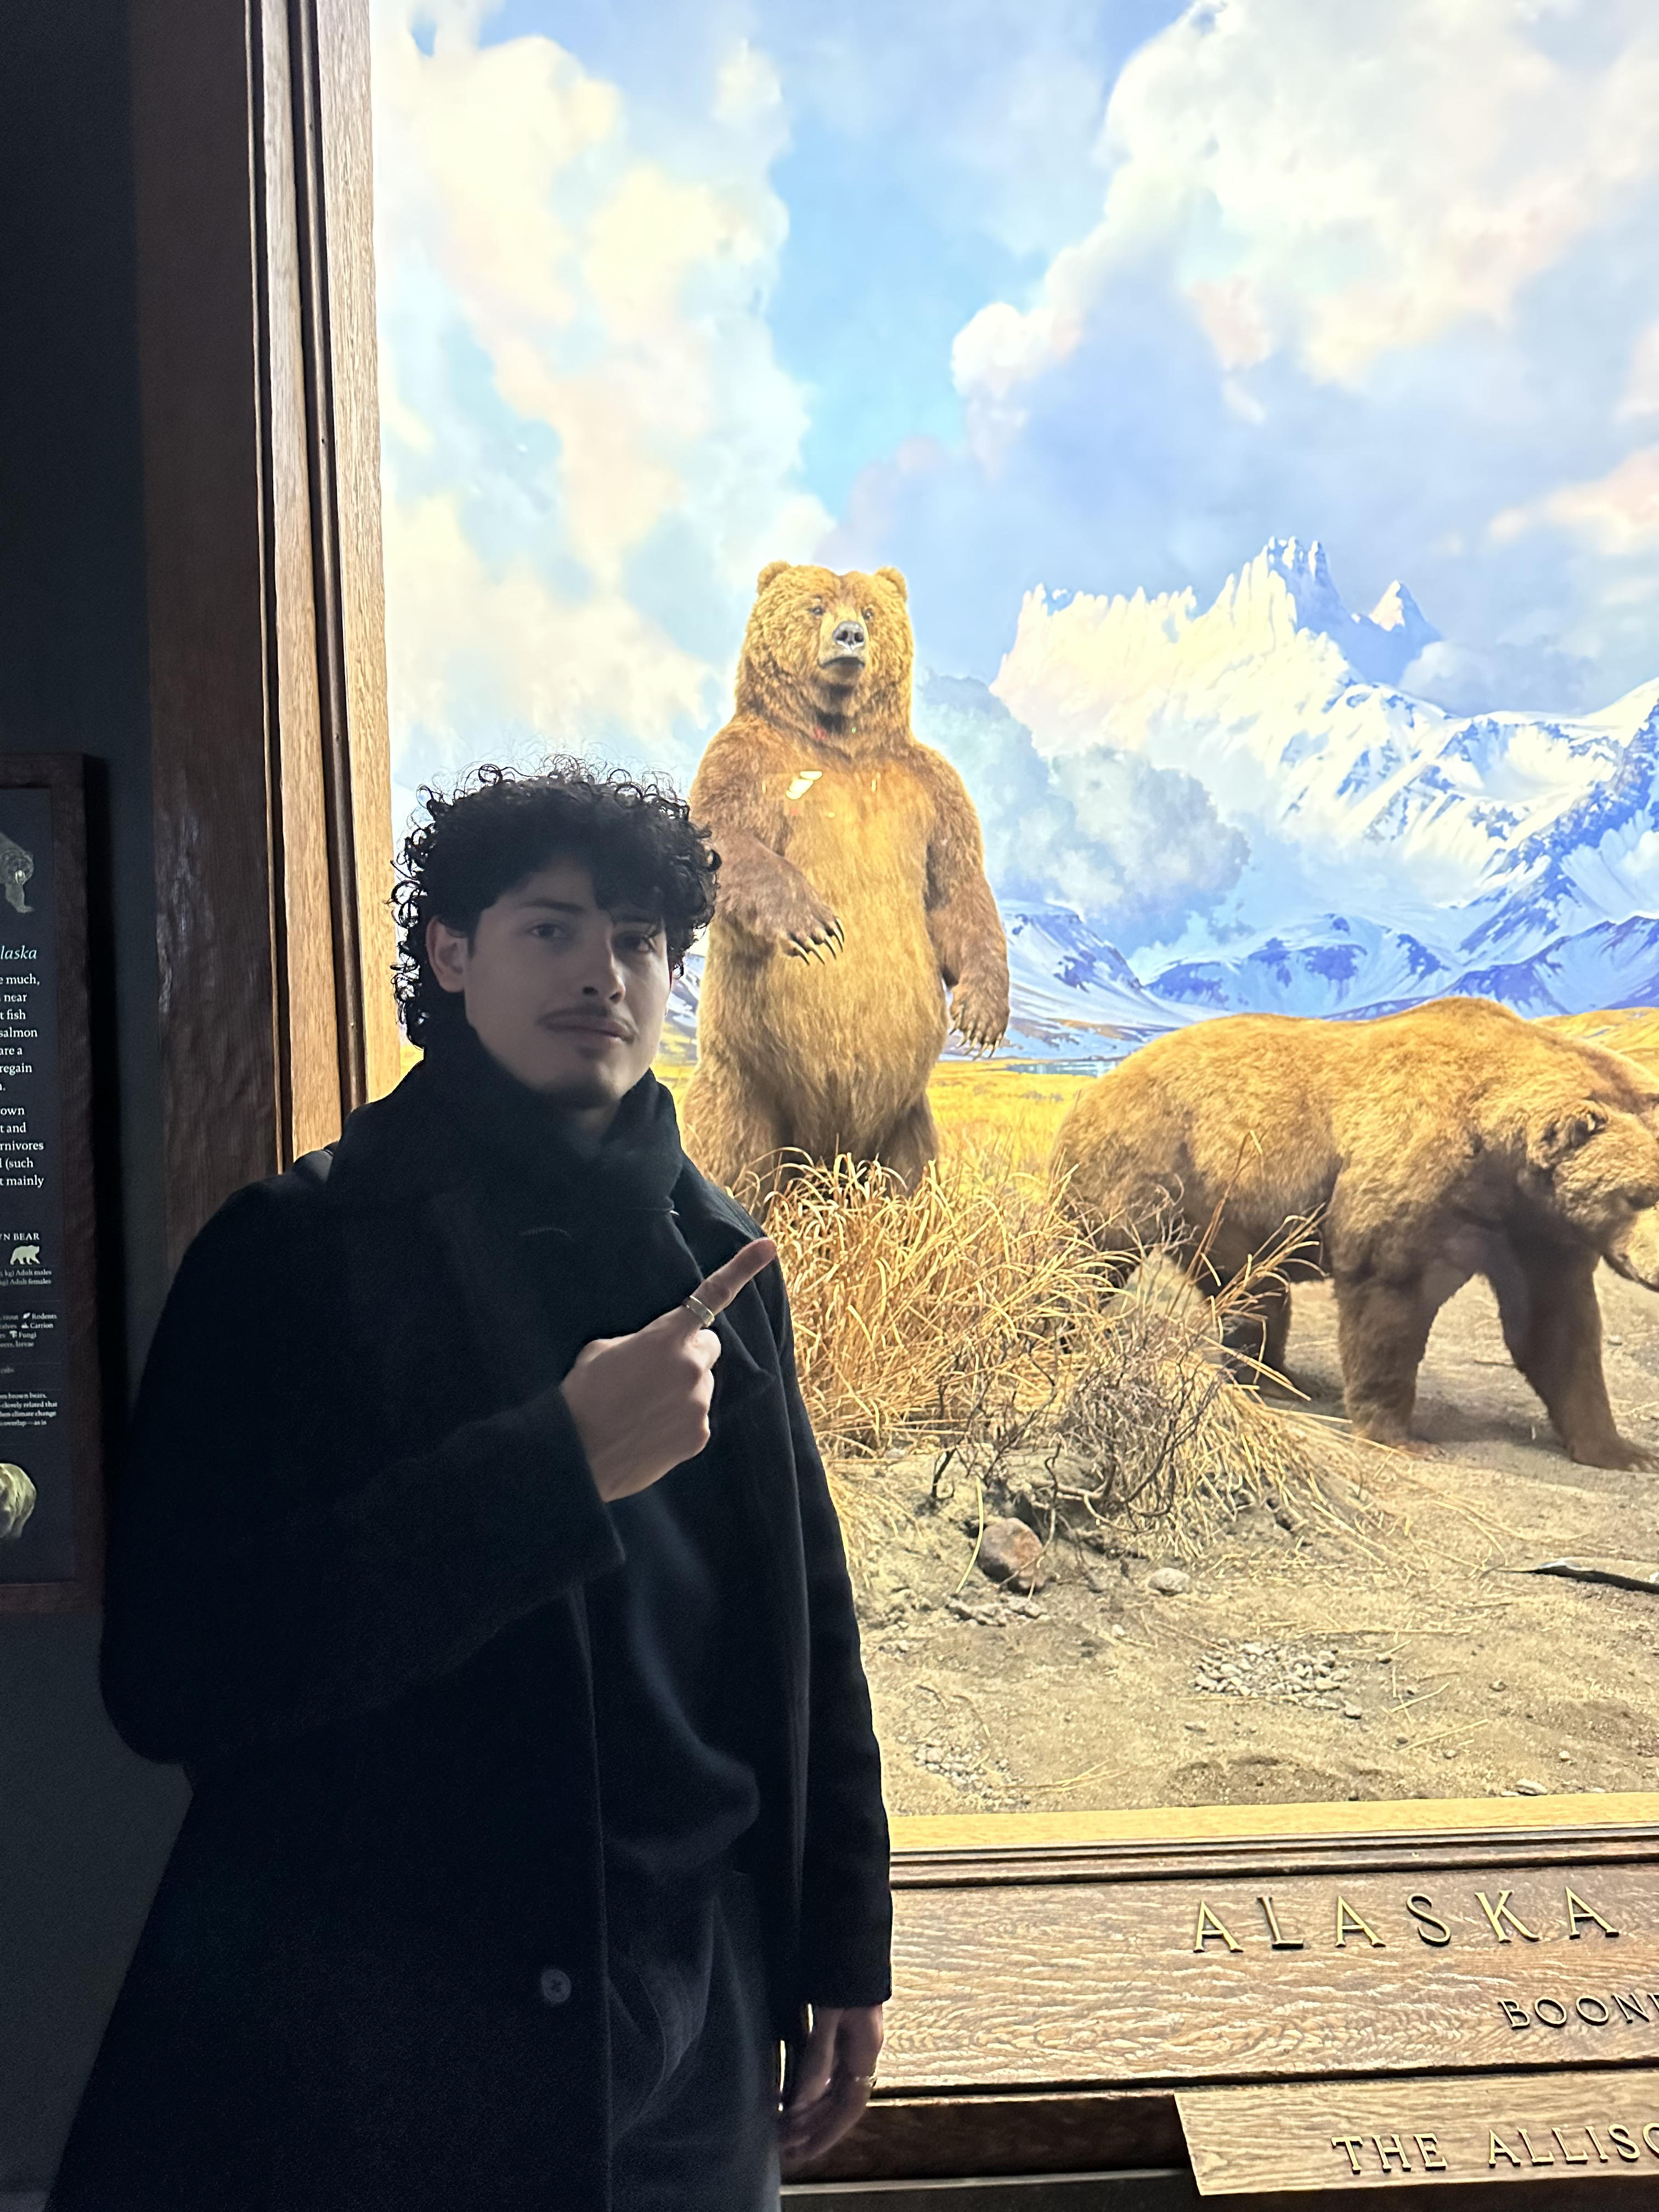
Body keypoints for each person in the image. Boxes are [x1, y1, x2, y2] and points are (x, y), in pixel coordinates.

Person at [49, 762, 891, 2212]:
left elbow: (807, 1624)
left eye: (638, 941)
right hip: (390, 2020)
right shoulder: (292, 1254)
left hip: (697, 1995)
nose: (602, 974)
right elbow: (175, 1676)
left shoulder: (724, 1253)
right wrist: (553, 1473)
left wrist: (841, 1949)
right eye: (551, 929)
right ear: (451, 953)